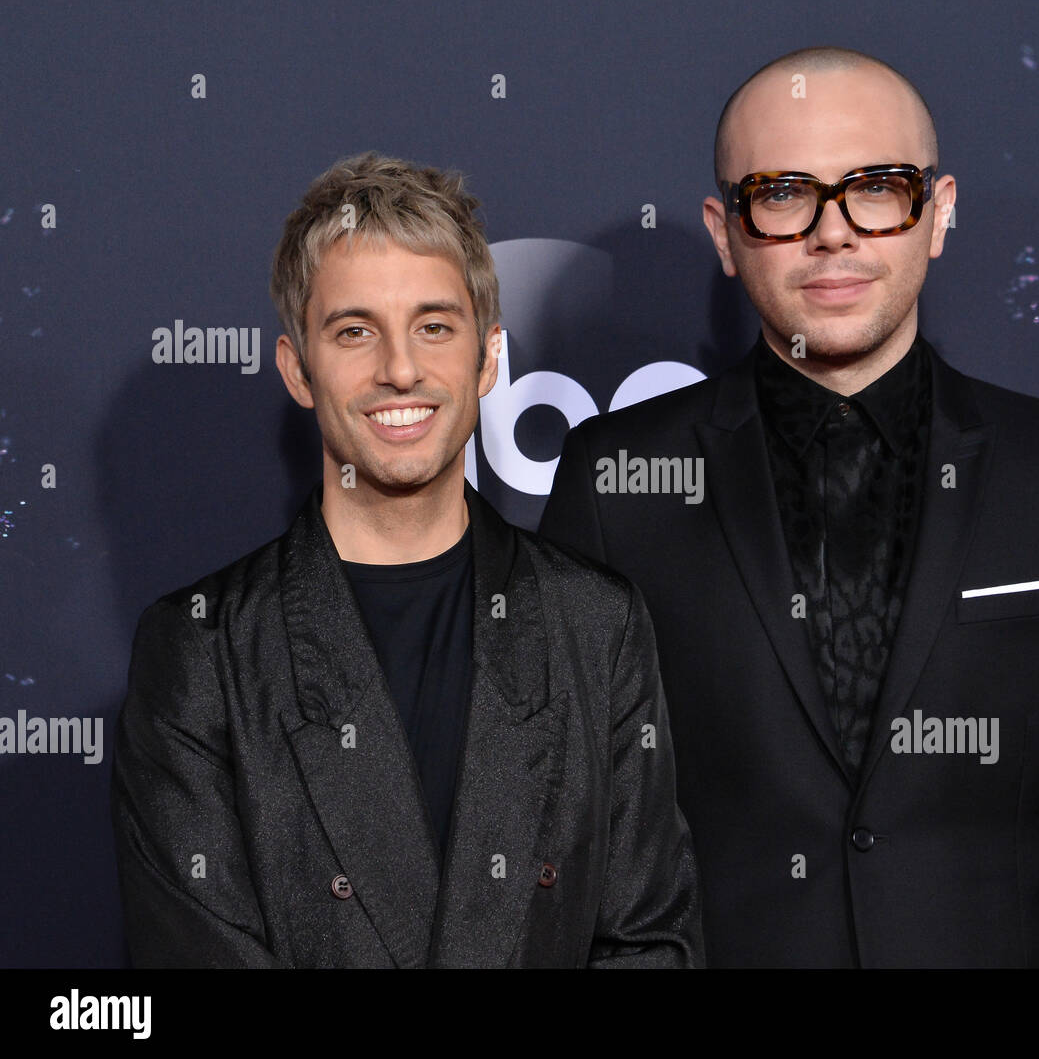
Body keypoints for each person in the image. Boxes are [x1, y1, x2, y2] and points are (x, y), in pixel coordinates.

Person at [540, 47, 1039, 967]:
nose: (834, 233)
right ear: (722, 230)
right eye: (783, 193)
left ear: (937, 214)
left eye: (878, 187)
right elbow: (571, 840)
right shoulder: (615, 479)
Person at [110, 152, 702, 968]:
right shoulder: (200, 650)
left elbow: (649, 945)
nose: (399, 368)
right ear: (296, 368)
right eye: (355, 330)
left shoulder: (595, 625)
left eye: (434, 326)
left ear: (488, 358)